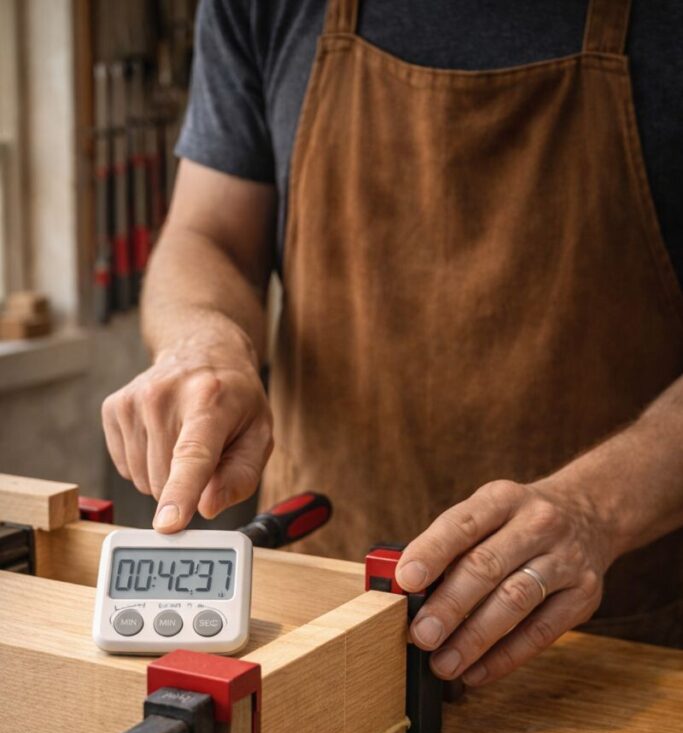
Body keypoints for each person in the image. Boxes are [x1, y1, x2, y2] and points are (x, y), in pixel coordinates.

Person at [102, 0, 683, 688]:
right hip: (317, 602)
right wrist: (200, 339)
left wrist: (594, 512)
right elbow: (207, 236)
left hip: (606, 632)